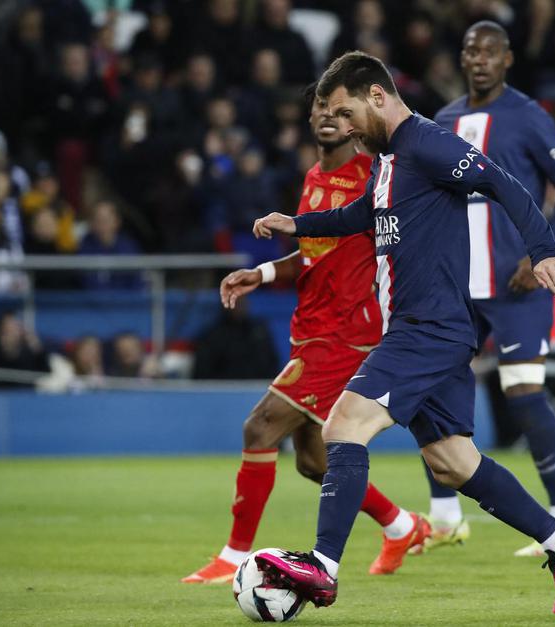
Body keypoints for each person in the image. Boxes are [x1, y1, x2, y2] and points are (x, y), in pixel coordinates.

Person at [251, 51, 555, 615]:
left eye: (346, 110)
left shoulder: (428, 143)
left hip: (428, 327)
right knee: (453, 462)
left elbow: (504, 183)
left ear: (377, 96)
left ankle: (323, 567)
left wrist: (543, 248)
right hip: (427, 328)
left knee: (343, 426)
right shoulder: (387, 159)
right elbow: (363, 215)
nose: (341, 124)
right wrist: (300, 224)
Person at [182, 84, 429, 585]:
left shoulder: (371, 177)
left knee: (259, 427)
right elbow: (316, 254)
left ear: (358, 119)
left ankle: (233, 557)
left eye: (341, 109)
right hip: (312, 327)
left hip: (348, 333)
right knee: (314, 461)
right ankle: (403, 525)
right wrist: (265, 274)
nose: (329, 116)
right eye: (321, 107)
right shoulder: (315, 177)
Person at [424, 20, 555, 558]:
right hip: (456, 285)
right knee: (433, 391)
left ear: (508, 59)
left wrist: (544, 252)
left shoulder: (528, 115)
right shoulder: (444, 120)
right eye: (472, 50)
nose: (480, 59)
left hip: (516, 281)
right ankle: (444, 518)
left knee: (523, 392)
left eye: (491, 51)